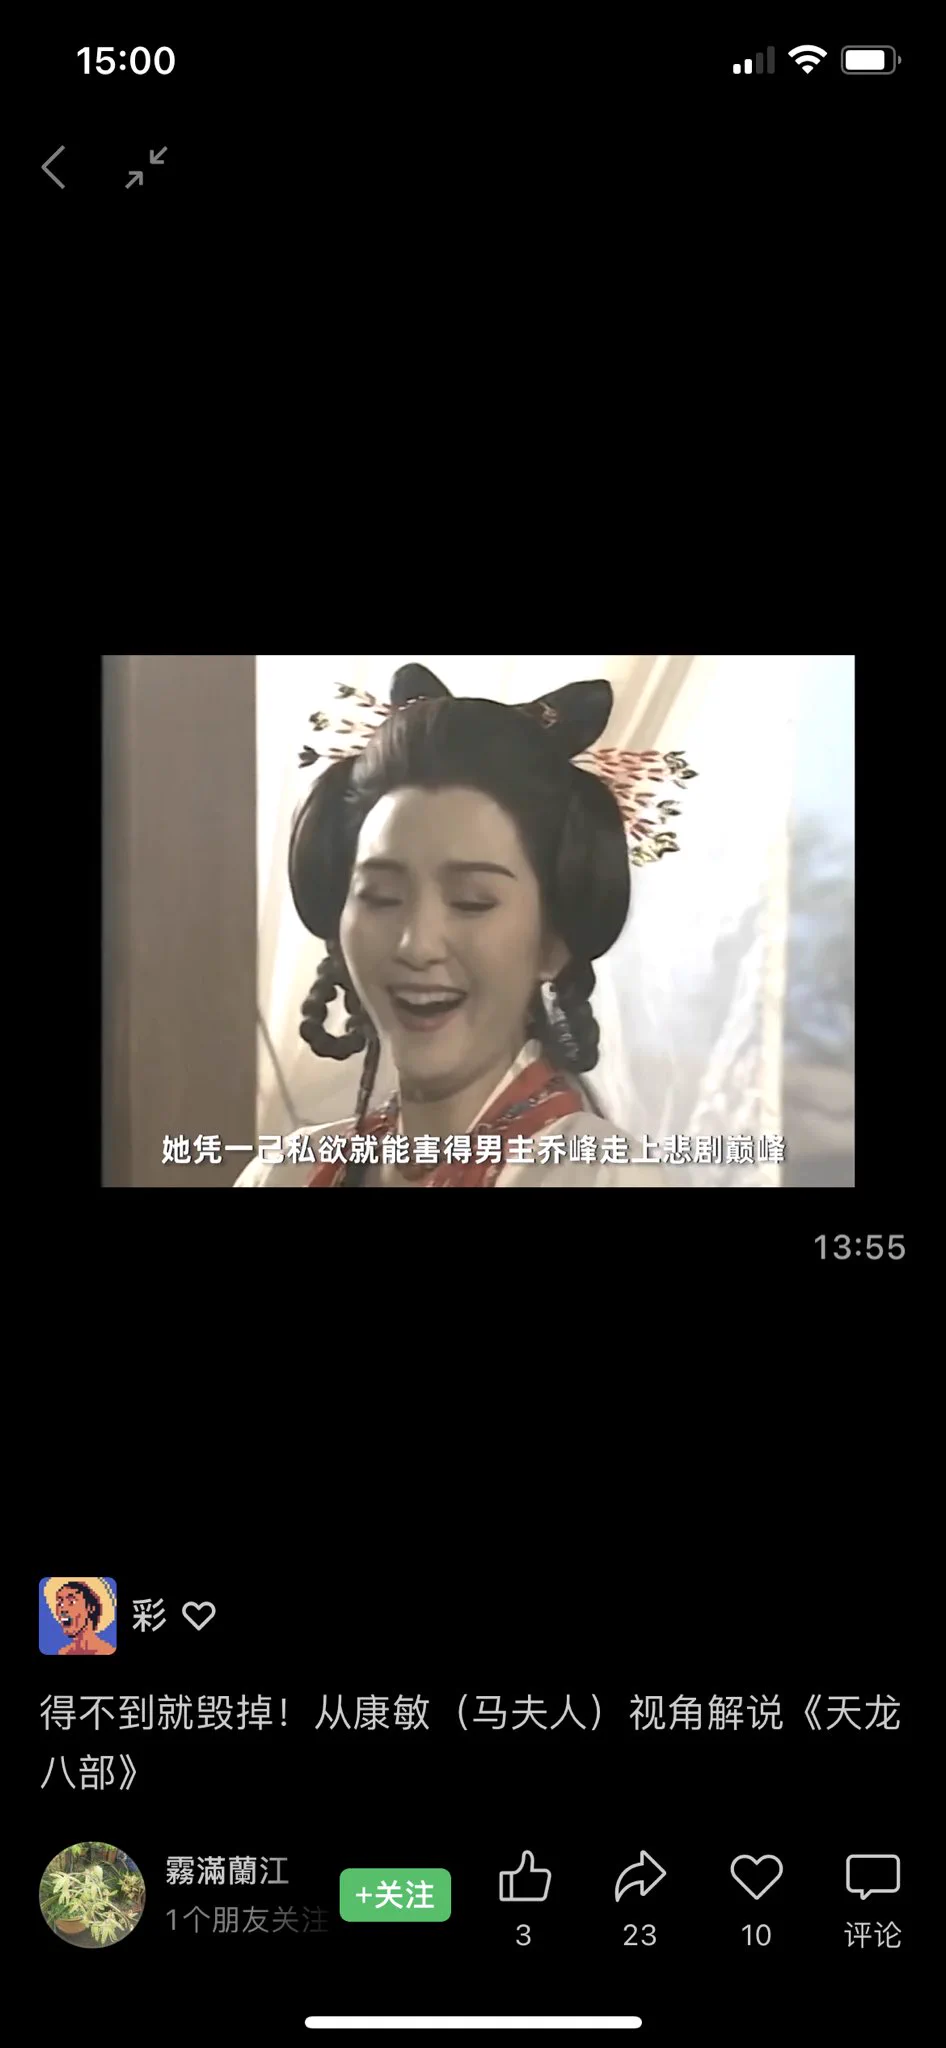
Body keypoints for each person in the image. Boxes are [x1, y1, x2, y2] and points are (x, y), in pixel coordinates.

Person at [234, 666, 696, 1188]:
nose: (417, 944)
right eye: (381, 897)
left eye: (471, 902)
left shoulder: (600, 1177)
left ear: (552, 942)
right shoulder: (284, 1173)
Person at [45, 1578, 117, 1655]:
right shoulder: (63, 1653)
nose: (63, 1609)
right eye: (60, 1603)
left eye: (72, 1602)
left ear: (91, 1608)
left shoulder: (107, 1652)